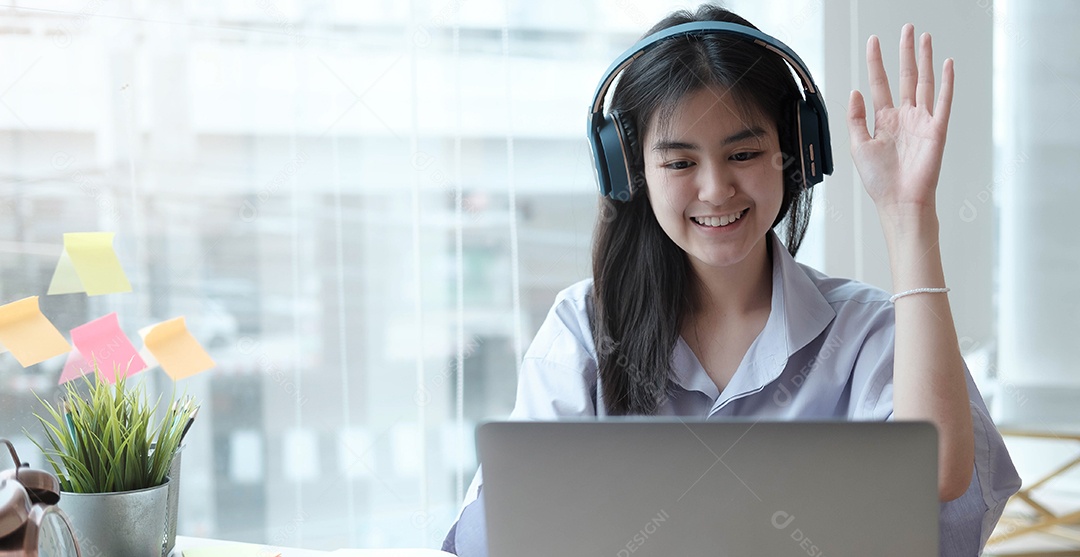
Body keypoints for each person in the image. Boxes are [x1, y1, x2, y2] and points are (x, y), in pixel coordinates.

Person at [442, 4, 1020, 556]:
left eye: (743, 152)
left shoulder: (870, 332)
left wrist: (907, 212)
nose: (716, 189)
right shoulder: (583, 330)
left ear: (795, 153)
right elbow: (513, 530)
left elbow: (936, 475)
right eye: (679, 162)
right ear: (631, 170)